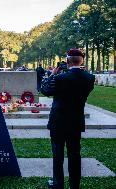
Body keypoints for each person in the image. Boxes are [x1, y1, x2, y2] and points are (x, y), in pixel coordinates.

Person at [40, 49, 95, 189]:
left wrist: (52, 74)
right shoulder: (89, 78)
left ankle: (58, 184)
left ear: (68, 60)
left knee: (58, 154)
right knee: (75, 154)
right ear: (81, 60)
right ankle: (74, 185)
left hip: (58, 121)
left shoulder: (60, 78)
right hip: (76, 121)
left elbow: (45, 90)